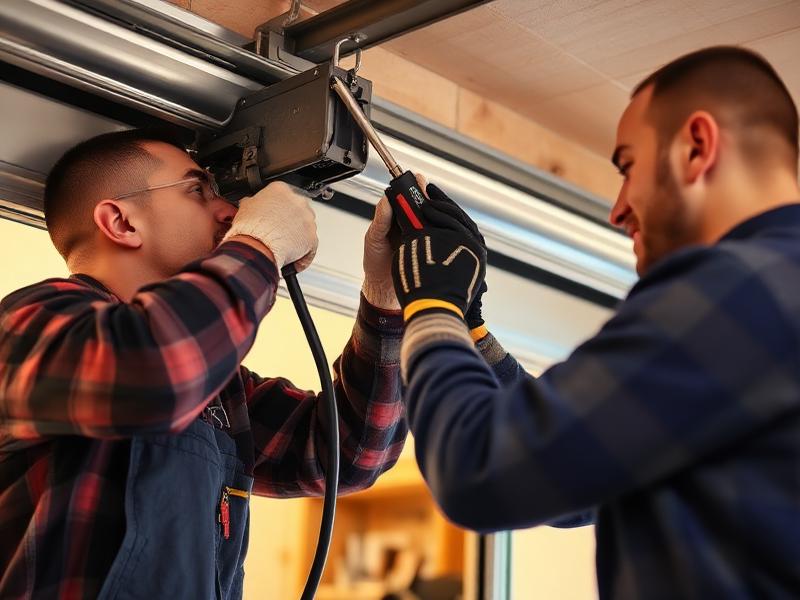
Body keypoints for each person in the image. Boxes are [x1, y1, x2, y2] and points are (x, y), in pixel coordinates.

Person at [390, 46, 800, 598]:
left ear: (696, 147)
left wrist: (430, 304)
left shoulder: (740, 288)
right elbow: (576, 466)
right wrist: (469, 325)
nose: (618, 208)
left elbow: (477, 467)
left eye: (628, 166)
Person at [0, 128, 408, 599]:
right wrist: (261, 243)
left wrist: (385, 297)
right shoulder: (31, 322)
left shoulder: (219, 390)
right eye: (197, 190)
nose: (229, 211)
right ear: (120, 222)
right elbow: (156, 371)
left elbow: (349, 455)